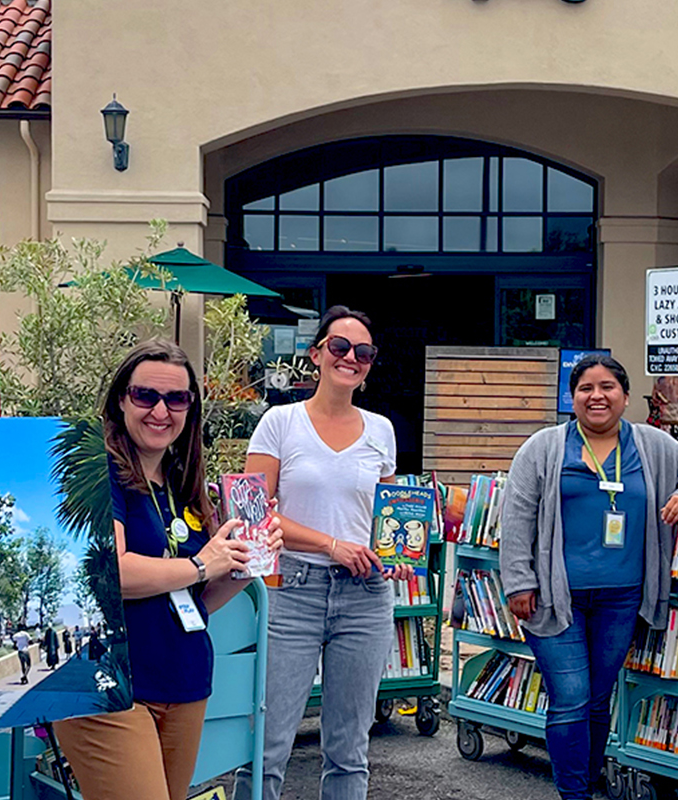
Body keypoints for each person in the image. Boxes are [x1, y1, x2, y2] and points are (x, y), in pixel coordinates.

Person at [53, 338, 279, 800]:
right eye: (145, 396)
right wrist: (200, 564)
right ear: (121, 399)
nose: (161, 410)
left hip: (184, 680)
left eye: (176, 398)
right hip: (108, 685)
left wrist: (243, 562)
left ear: (190, 408)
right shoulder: (97, 472)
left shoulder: (183, 480)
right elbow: (106, 577)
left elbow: (198, 601)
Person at [499, 354, 678, 800]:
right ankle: (574, 795)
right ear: (572, 397)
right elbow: (517, 515)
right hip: (556, 598)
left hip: (623, 597)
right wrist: (519, 581)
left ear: (624, 396)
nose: (596, 396)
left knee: (598, 700)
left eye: (607, 387)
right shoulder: (543, 447)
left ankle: (588, 780)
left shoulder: (653, 445)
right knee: (571, 696)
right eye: (585, 388)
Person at [240, 305, 410, 800]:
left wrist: (395, 549)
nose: (350, 358)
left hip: (365, 594)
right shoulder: (279, 423)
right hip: (292, 590)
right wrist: (330, 545)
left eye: (363, 352)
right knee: (268, 743)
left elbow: (389, 515)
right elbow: (253, 514)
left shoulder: (381, 430)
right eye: (339, 347)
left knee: (350, 748)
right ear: (316, 354)